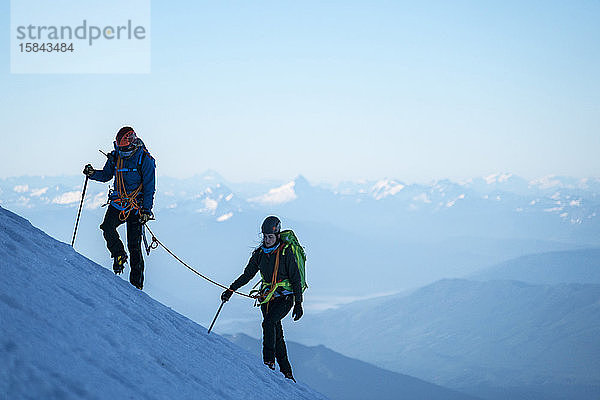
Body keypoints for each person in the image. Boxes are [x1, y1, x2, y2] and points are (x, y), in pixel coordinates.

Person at [221, 216, 303, 382]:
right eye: (265, 236)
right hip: (267, 299)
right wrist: (231, 289)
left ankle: (268, 362)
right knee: (277, 334)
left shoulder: (286, 253)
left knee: (269, 323)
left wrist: (298, 303)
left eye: (270, 237)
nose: (267, 240)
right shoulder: (259, 254)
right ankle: (287, 372)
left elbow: (296, 279)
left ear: (277, 235)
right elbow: (247, 275)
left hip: (285, 298)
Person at [83, 126, 156, 290]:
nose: (122, 151)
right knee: (107, 228)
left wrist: (146, 210)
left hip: (135, 207)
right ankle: (119, 254)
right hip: (120, 203)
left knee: (134, 247)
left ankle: (136, 287)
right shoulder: (116, 155)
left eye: (124, 148)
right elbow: (107, 175)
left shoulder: (144, 159)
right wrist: (92, 173)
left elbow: (150, 187)